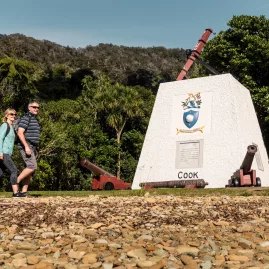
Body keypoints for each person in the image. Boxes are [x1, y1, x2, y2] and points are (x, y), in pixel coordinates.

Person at [17, 101, 41, 197]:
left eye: (38, 107)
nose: (36, 109)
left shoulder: (33, 119)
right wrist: (26, 146)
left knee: (31, 170)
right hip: (27, 146)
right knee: (32, 166)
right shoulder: (26, 117)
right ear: (29, 108)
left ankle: (24, 192)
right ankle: (15, 182)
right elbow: (20, 132)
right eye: (34, 107)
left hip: (33, 146)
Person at [0, 108, 20, 197]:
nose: (13, 116)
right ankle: (15, 193)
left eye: (15, 114)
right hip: (4, 153)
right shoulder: (5, 125)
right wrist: (0, 152)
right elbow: (0, 139)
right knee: (14, 170)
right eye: (11, 114)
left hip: (7, 153)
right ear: (6, 115)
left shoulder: (12, 127)